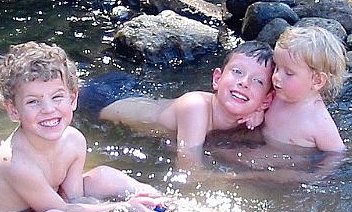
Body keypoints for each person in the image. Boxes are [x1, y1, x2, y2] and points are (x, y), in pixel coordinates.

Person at [0, 41, 166, 212]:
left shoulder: (74, 140)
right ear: (14, 110)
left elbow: (76, 199)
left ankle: (159, 203)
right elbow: (64, 210)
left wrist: (118, 207)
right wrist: (123, 211)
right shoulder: (16, 163)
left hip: (57, 204)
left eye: (57, 97)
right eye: (33, 101)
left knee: (104, 176)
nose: (48, 109)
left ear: (73, 99)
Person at [87, 41, 275, 164]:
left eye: (258, 81)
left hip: (140, 94)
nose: (244, 82)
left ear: (266, 100)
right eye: (237, 72)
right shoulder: (196, 107)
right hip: (104, 100)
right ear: (217, 79)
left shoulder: (257, 117)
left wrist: (259, 113)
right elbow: (189, 171)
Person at [260, 26, 348, 153]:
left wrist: (317, 173)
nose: (276, 77)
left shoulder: (319, 123)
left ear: (317, 80)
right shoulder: (274, 96)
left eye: (289, 73)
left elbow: (337, 155)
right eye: (277, 68)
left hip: (290, 170)